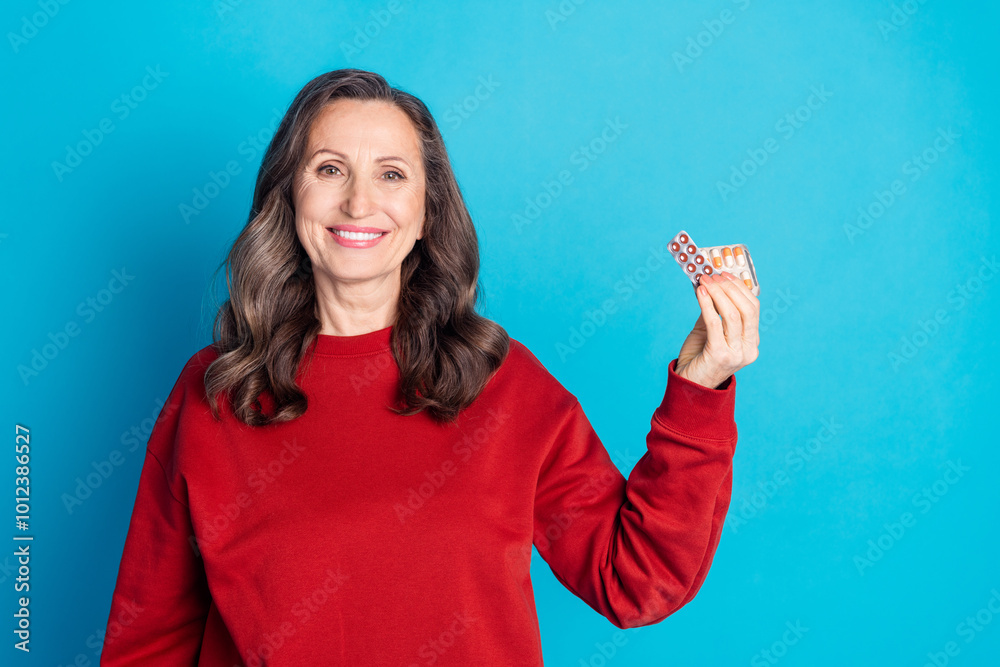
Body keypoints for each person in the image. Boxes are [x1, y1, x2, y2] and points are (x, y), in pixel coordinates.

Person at [100, 68, 759, 666]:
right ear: (288, 194)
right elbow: (148, 638)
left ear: (425, 212)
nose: (359, 203)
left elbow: (635, 580)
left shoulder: (501, 380)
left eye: (392, 174)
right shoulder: (214, 391)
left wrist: (699, 391)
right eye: (330, 169)